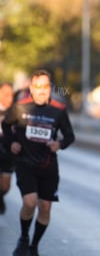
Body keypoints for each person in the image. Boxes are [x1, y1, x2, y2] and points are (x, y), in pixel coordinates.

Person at [2, 69, 75, 256]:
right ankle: (24, 237)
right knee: (30, 202)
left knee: (45, 207)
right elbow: (6, 125)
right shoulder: (20, 106)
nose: (41, 90)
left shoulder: (58, 110)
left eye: (45, 86)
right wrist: (12, 143)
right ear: (31, 89)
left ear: (50, 88)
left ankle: (34, 245)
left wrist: (59, 144)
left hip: (48, 165)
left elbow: (69, 136)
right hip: (25, 163)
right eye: (37, 86)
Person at [0, 82, 14, 214]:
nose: (9, 98)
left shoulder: (15, 111)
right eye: (5, 94)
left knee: (5, 186)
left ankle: (1, 196)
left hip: (7, 152)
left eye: (11, 95)